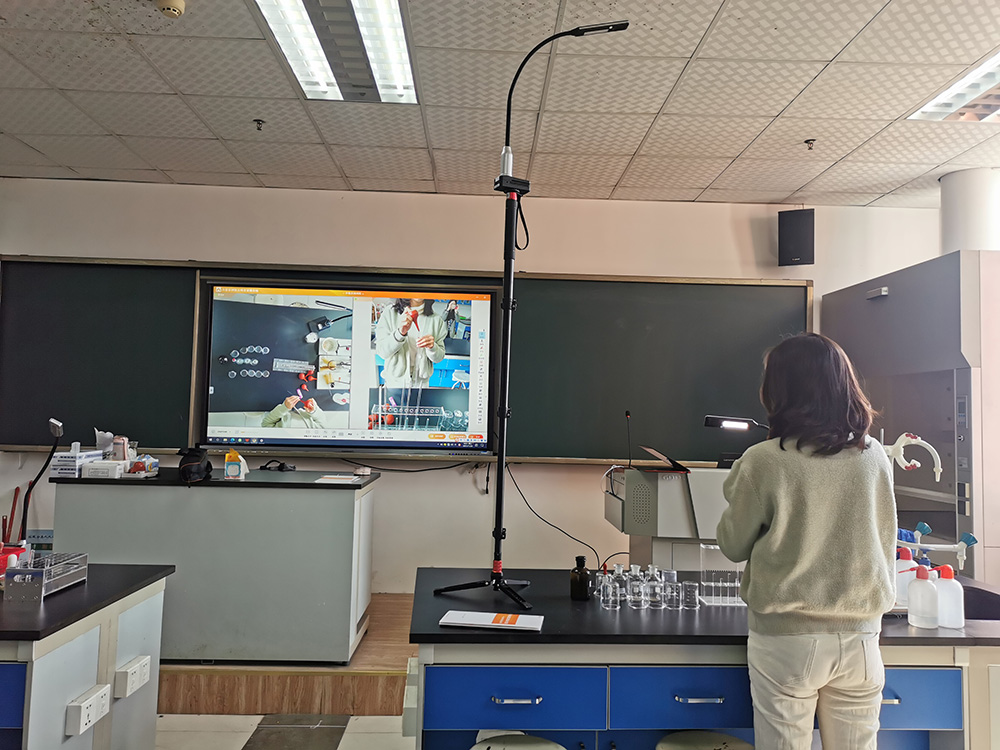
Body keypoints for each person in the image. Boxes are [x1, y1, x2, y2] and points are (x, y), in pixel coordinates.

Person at [715, 333, 897, 750]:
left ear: (778, 391)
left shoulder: (763, 460)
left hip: (787, 640)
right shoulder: (873, 455)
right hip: (861, 638)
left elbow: (732, 545)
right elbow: (884, 536)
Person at [374, 298, 447, 387]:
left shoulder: (436, 320)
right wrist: (399, 334)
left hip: (421, 385)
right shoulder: (390, 313)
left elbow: (439, 358)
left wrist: (432, 348)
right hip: (395, 384)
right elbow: (382, 352)